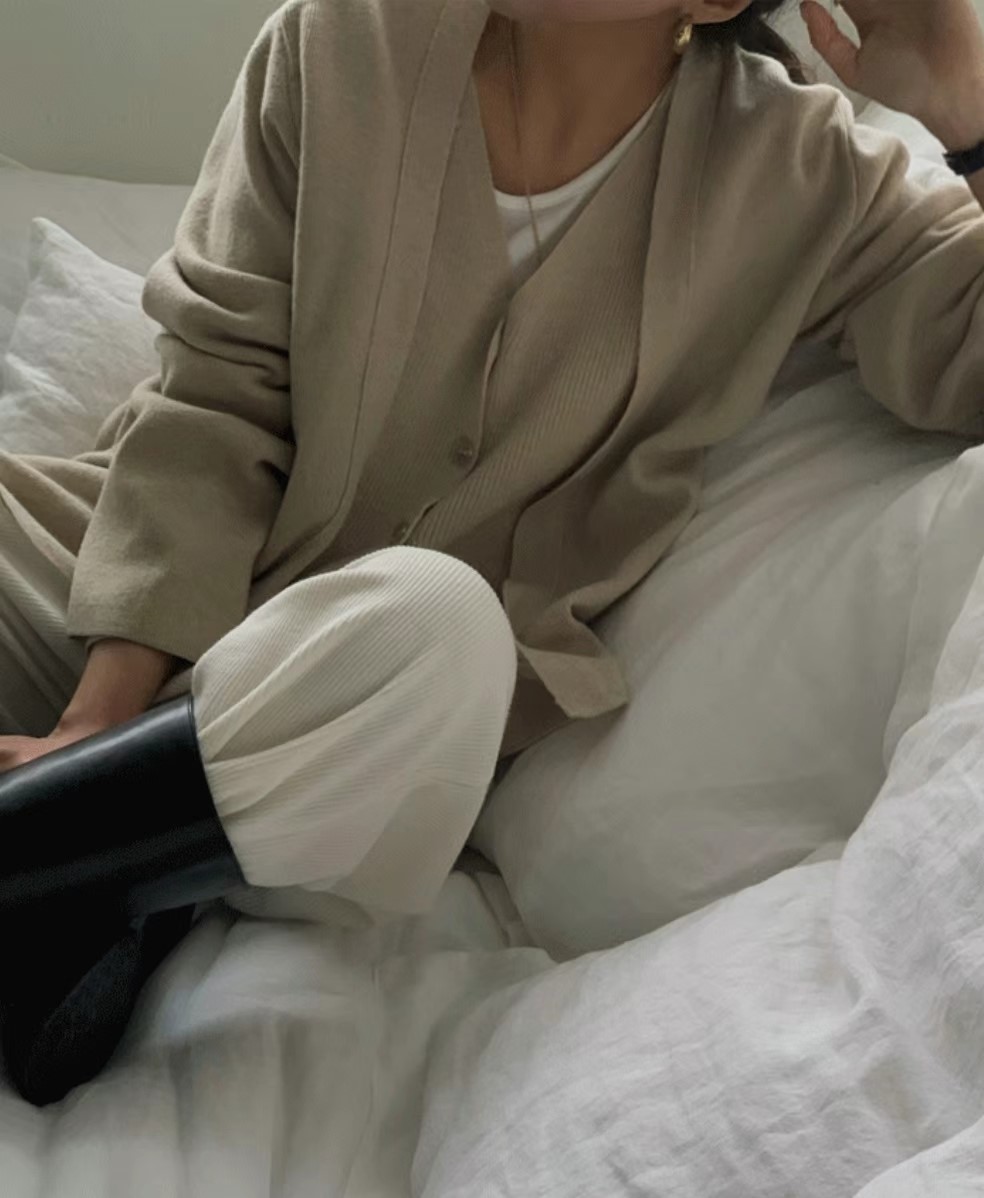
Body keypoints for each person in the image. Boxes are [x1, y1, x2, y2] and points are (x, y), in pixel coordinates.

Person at [2, 0, 984, 1105]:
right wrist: (92, 728)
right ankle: (94, 863)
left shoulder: (803, 174)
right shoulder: (341, 40)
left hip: (380, 718)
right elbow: (212, 401)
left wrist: (967, 105)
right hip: (124, 588)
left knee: (436, 623)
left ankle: (95, 845)